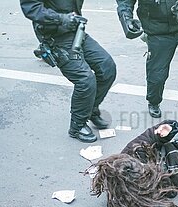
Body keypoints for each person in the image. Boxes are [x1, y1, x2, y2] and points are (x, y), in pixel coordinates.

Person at [20, 0, 117, 143]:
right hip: (56, 37)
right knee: (85, 79)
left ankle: (90, 109)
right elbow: (31, 8)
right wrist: (61, 18)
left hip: (77, 30)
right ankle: (77, 126)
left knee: (107, 67)